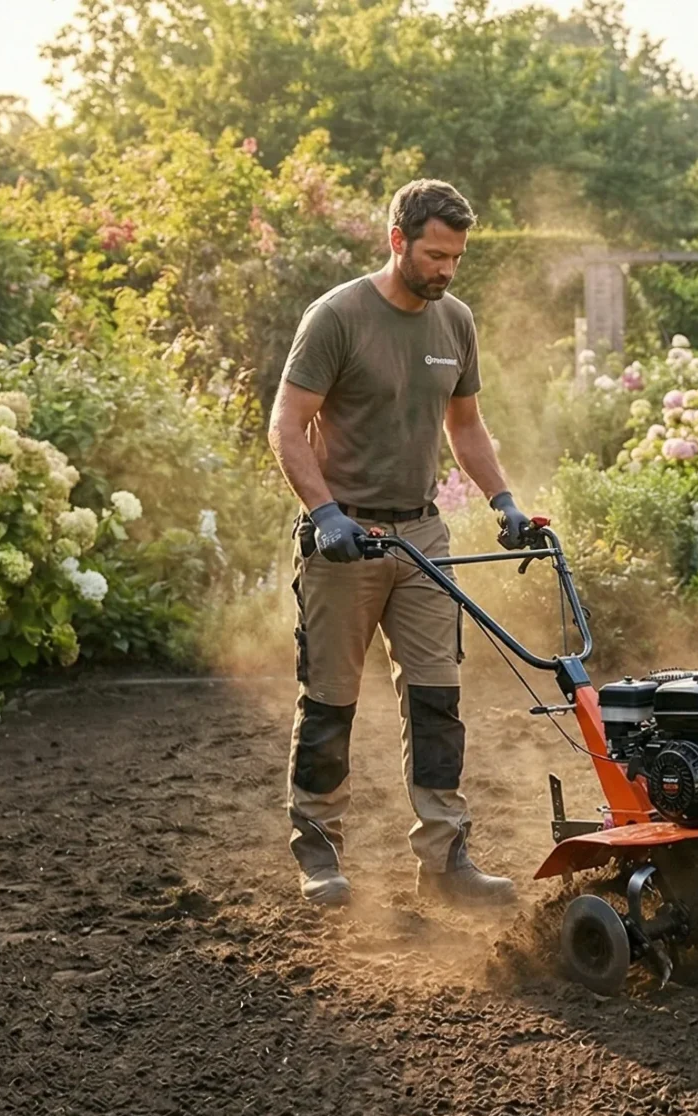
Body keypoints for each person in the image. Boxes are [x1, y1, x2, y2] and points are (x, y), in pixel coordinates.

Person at [270, 178, 532, 908]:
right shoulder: (338, 318)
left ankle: (445, 860)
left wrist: (504, 502)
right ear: (398, 241)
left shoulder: (455, 322)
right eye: (436, 255)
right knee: (329, 700)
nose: (447, 271)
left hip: (422, 535)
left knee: (437, 697)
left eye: (457, 258)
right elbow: (286, 426)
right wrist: (324, 515)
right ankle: (320, 854)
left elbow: (466, 426)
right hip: (345, 535)